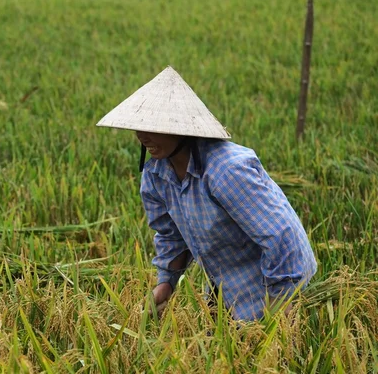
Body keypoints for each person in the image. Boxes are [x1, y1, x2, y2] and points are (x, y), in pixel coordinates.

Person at [97, 66, 317, 320]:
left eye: (154, 128)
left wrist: (280, 303)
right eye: (138, 127)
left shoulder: (226, 171)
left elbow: (280, 236)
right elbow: (172, 236)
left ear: (180, 128)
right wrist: (165, 284)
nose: (142, 137)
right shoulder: (156, 176)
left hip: (273, 289)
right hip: (225, 287)